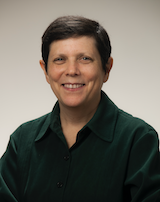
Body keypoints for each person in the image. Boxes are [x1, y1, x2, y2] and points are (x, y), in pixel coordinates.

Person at [0, 16, 160, 202]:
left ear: (107, 68)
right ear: (45, 71)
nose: (72, 70)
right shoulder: (22, 141)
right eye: (60, 59)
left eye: (85, 58)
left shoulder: (138, 139)